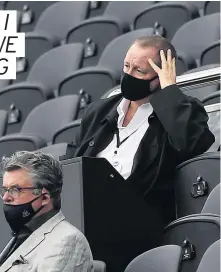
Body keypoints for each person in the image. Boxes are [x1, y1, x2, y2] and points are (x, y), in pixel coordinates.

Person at [74, 36, 215, 224]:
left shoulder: (180, 111)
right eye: (126, 66)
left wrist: (170, 92)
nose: (128, 75)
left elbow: (191, 143)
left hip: (137, 221)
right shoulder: (99, 111)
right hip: (87, 215)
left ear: (160, 76)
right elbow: (73, 161)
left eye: (139, 71)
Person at [0, 151, 94, 272]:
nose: (5, 197)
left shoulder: (67, 241)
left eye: (15, 190)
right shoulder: (23, 234)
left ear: (44, 198)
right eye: (5, 190)